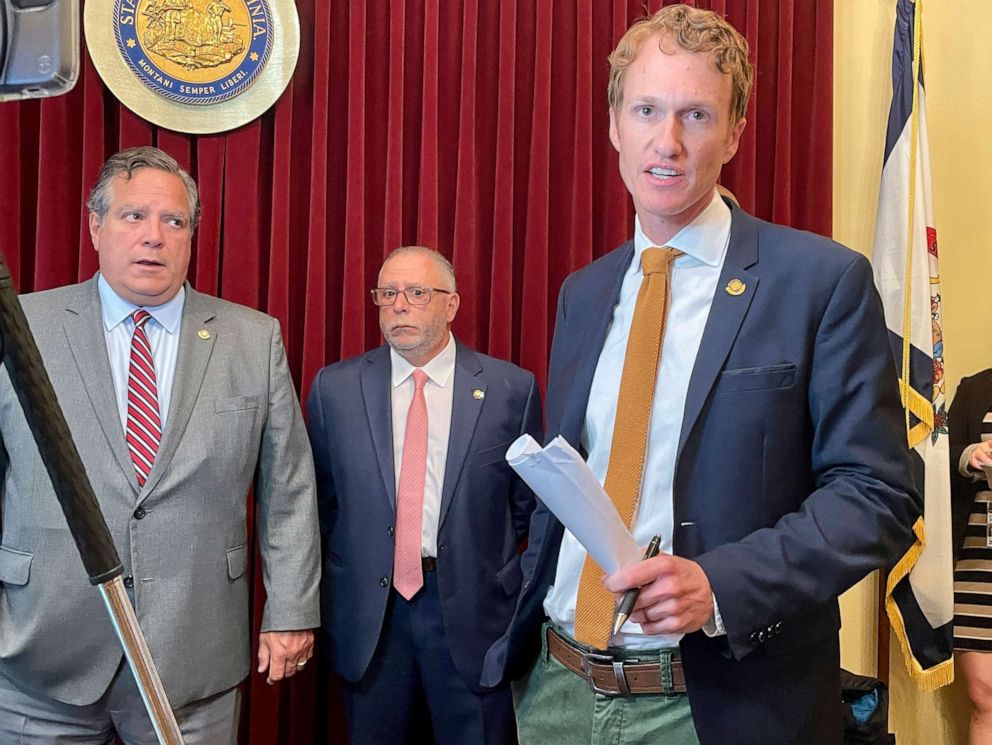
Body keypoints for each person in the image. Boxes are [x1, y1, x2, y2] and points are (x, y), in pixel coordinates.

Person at [481, 6, 920, 745]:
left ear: (735, 131)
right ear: (615, 124)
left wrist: (721, 584)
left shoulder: (820, 282)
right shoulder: (584, 293)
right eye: (647, 109)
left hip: (716, 705)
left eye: (697, 114)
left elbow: (878, 494)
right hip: (555, 690)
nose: (668, 141)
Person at [0, 146, 320, 744]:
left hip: (194, 657)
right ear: (95, 226)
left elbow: (290, 488)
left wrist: (292, 611)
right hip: (39, 654)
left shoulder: (252, 339)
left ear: (192, 235)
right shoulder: (21, 326)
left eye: (173, 221)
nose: (154, 237)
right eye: (133, 216)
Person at [306, 245, 542, 745]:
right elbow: (322, 505)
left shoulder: (510, 388)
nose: (399, 305)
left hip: (474, 614)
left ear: (451, 304)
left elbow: (527, 511)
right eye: (387, 293)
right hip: (372, 617)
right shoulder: (335, 389)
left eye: (417, 292)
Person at [949, 368, 992, 745]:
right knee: (985, 697)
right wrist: (970, 455)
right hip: (978, 564)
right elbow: (932, 458)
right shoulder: (975, 389)